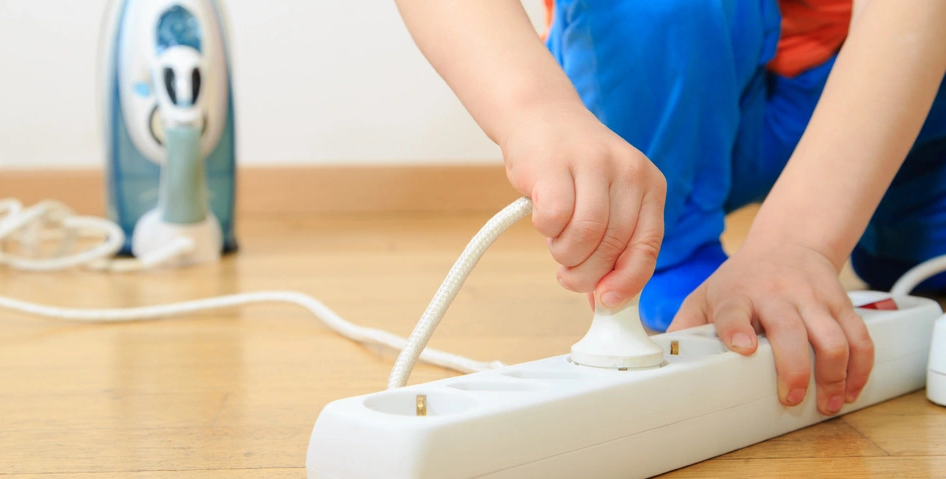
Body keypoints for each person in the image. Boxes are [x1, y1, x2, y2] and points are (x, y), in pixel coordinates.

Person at [393, 0, 946, 416]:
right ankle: (670, 259)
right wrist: (535, 112)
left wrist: (796, 244)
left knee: (916, 263)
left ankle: (902, 237)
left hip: (892, 82)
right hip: (682, 82)